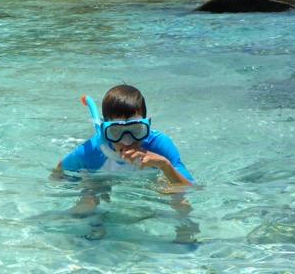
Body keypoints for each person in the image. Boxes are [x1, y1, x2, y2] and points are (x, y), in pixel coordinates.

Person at [53, 85, 195, 240]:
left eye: (136, 130)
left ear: (147, 125)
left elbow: (191, 188)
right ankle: (95, 228)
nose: (127, 140)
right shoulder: (91, 151)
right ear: (105, 129)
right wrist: (77, 184)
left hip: (149, 178)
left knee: (179, 198)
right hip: (100, 178)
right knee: (88, 201)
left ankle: (185, 236)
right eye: (116, 131)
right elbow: (59, 171)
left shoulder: (159, 145)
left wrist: (164, 165)